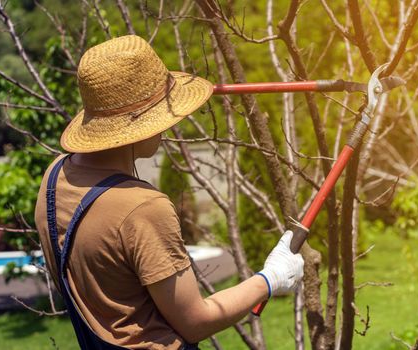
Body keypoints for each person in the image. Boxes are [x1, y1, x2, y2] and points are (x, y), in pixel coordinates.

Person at [34, 35, 304, 350]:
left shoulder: (55, 177)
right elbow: (195, 322)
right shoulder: (141, 207)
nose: (169, 124)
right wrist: (269, 279)